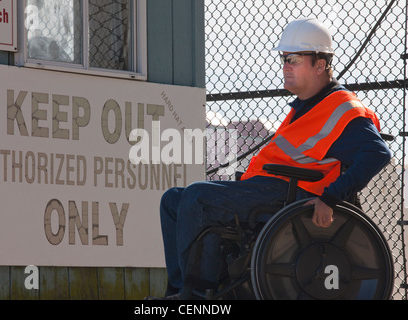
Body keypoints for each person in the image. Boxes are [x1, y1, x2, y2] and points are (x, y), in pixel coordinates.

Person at [150, 17, 392, 300]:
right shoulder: (306, 107)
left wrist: (330, 198)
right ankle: (180, 291)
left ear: (320, 64)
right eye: (283, 59)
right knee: (173, 201)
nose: (285, 66)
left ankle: (197, 296)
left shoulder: (343, 108)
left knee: (197, 197)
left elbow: (378, 153)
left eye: (293, 59)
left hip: (291, 195)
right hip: (267, 189)